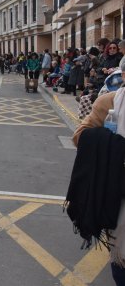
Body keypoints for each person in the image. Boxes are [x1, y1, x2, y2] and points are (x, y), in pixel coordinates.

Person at [71, 60, 125, 285]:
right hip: (120, 194)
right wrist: (113, 144)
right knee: (122, 263)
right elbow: (79, 135)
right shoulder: (110, 101)